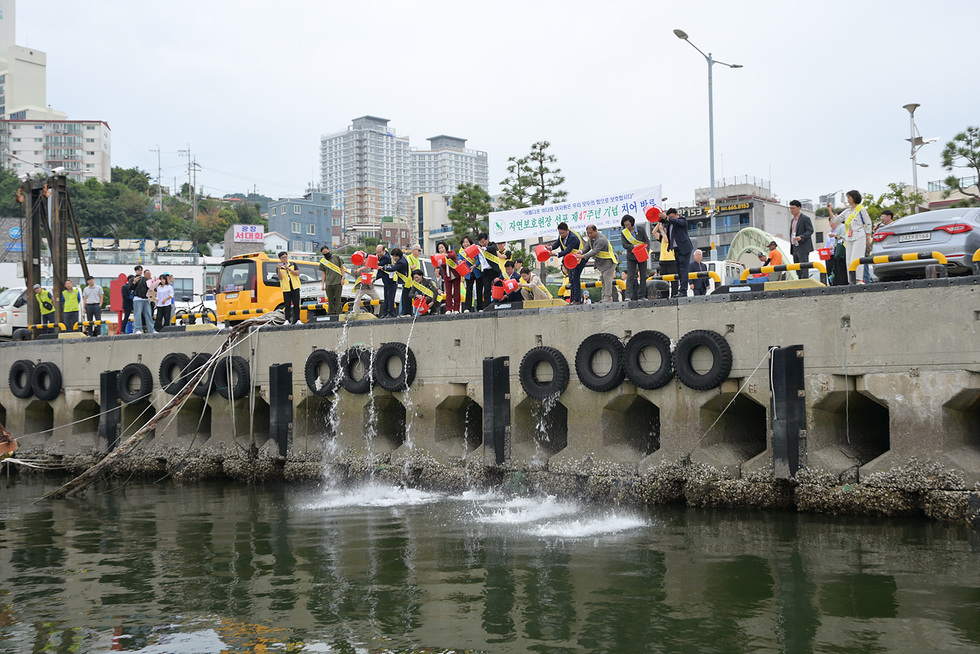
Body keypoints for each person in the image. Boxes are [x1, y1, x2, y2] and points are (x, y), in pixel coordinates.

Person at [827, 190, 872, 285]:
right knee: (849, 260)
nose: (847, 199)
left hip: (859, 235)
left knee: (857, 258)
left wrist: (868, 238)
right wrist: (830, 210)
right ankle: (851, 279)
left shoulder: (861, 209)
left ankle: (859, 279)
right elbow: (836, 220)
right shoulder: (847, 211)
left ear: (854, 197)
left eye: (849, 197)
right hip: (849, 237)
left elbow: (868, 223)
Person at [577, 223, 617, 303]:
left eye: (591, 233)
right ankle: (604, 297)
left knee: (607, 278)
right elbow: (587, 247)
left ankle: (608, 297)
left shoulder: (601, 239)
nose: (589, 235)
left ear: (596, 231)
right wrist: (580, 251)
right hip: (602, 263)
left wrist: (583, 256)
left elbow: (594, 251)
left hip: (610, 261)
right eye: (588, 233)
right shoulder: (591, 239)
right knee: (603, 279)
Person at [661, 208, 692, 297]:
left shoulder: (682, 220)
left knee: (683, 269)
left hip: (684, 248)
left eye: (672, 217)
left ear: (677, 215)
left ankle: (683, 291)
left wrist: (668, 218)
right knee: (679, 270)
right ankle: (681, 290)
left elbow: (678, 222)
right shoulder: (669, 223)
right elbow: (662, 220)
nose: (670, 219)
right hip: (675, 249)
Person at [550, 222, 583, 304]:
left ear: (567, 230)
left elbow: (567, 250)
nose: (561, 235)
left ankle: (578, 299)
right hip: (571, 260)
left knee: (575, 278)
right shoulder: (561, 236)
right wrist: (550, 247)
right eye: (560, 233)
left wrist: (556, 254)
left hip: (579, 259)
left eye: (563, 233)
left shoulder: (573, 238)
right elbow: (557, 244)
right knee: (571, 279)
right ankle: (573, 299)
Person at [620, 214, 649, 300]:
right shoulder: (624, 233)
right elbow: (624, 245)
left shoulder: (641, 229)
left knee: (643, 275)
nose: (627, 226)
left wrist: (646, 249)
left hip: (642, 254)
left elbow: (646, 241)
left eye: (628, 224)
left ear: (632, 223)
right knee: (630, 276)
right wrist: (633, 246)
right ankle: (628, 296)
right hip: (631, 256)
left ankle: (642, 295)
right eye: (625, 225)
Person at [318, 243, 345, 315]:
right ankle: (331, 314)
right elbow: (323, 273)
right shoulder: (323, 261)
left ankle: (339, 313)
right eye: (324, 253)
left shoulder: (336, 257)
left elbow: (342, 268)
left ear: (329, 250)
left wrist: (343, 278)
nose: (325, 253)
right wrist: (323, 284)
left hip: (337, 282)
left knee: (338, 300)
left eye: (326, 252)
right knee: (330, 300)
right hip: (329, 283)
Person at [435, 241, 462, 313]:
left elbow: (453, 256)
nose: (441, 249)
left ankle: (456, 309)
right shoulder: (440, 257)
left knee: (456, 292)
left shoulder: (451, 252)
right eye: (439, 248)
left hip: (455, 275)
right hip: (447, 276)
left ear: (445, 247)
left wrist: (445, 255)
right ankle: (449, 309)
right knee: (448, 293)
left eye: (442, 247)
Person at [381, 248, 409, 317]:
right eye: (393, 256)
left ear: (399, 256)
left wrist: (382, 268)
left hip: (407, 282)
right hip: (399, 281)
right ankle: (387, 313)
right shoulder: (400, 259)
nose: (394, 258)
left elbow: (392, 269)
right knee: (388, 297)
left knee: (404, 298)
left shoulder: (401, 262)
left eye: (396, 256)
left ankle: (398, 313)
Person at [651, 220, 676, 297]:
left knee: (673, 280)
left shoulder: (673, 236)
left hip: (672, 260)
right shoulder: (661, 237)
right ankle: (664, 296)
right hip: (663, 261)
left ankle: (674, 294)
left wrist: (661, 230)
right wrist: (659, 223)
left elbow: (667, 240)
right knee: (664, 280)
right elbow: (654, 232)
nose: (665, 229)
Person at [459, 235, 483, 313]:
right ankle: (467, 308)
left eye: (467, 242)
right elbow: (459, 260)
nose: (465, 244)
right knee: (468, 290)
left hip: (477, 270)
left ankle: (480, 307)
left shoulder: (474, 249)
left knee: (479, 290)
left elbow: (479, 260)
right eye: (464, 242)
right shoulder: (461, 252)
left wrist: (475, 265)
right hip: (468, 272)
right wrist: (459, 262)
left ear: (470, 242)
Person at [276, 251, 302, 324]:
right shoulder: (279, 267)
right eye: (283, 258)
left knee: (296, 304)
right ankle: (287, 319)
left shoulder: (293, 264)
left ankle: (297, 319)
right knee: (287, 305)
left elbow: (297, 273)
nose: (285, 259)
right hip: (286, 288)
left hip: (295, 287)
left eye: (285, 257)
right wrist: (279, 269)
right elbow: (280, 278)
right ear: (280, 259)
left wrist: (289, 269)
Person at [788, 200, 815, 268]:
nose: (791, 210)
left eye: (793, 208)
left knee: (804, 268)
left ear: (799, 208)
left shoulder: (805, 218)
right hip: (794, 246)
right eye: (790, 208)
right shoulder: (792, 220)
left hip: (803, 246)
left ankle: (804, 279)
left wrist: (801, 237)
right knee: (797, 268)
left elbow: (810, 230)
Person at [399, 244, 422, 316]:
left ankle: (417, 313)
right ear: (413, 250)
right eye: (418, 250)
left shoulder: (418, 259)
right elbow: (405, 269)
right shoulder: (408, 258)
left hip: (416, 283)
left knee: (417, 297)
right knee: (405, 298)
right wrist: (412, 267)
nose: (420, 252)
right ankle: (403, 312)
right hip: (408, 282)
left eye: (420, 250)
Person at [376, 244, 397, 318]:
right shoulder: (381, 255)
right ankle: (385, 313)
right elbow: (372, 255)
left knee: (390, 298)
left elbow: (377, 265)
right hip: (386, 281)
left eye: (379, 252)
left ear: (384, 251)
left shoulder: (386, 257)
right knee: (386, 298)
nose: (378, 254)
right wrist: (365, 255)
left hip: (391, 281)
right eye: (377, 252)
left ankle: (390, 313)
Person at [132, 269, 155, 334]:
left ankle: (151, 329)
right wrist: (134, 282)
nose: (149, 275)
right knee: (138, 314)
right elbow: (130, 287)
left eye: (150, 274)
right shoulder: (136, 279)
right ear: (144, 274)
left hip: (146, 299)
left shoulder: (150, 281)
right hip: (138, 298)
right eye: (147, 274)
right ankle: (138, 329)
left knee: (148, 314)